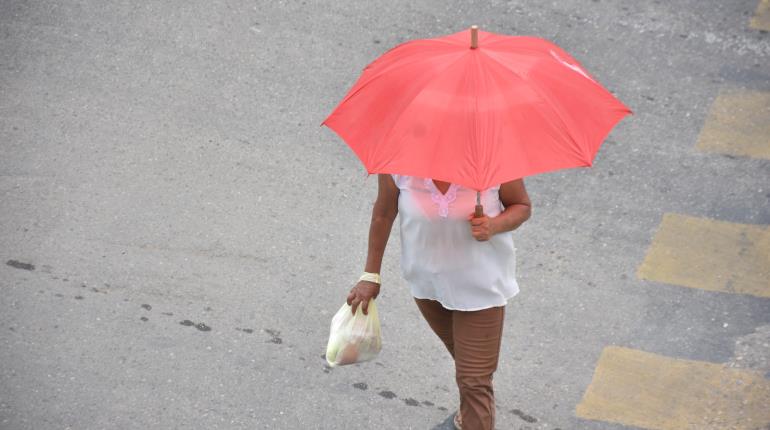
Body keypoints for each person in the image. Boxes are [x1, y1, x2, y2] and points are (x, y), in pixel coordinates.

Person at [347, 173, 532, 430]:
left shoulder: (491, 161)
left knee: (474, 380)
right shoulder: (399, 159)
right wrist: (370, 275)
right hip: (427, 286)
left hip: (481, 290)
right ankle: (471, 406)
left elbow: (521, 206)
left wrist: (494, 225)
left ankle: (471, 416)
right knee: (468, 365)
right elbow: (383, 213)